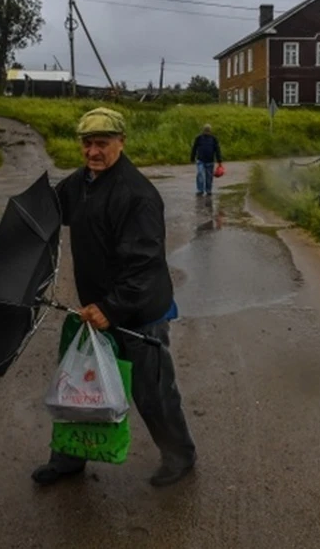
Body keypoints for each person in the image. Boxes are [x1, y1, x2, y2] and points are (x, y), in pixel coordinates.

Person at [33, 107, 198, 488]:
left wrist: (112, 307)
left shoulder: (137, 195)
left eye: (102, 144)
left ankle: (180, 455)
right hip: (97, 309)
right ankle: (69, 458)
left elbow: (144, 264)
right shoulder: (81, 183)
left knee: (152, 391)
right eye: (87, 143)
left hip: (140, 312)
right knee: (80, 388)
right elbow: (53, 211)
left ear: (121, 143)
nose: (93, 152)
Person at [190, 124, 222, 196]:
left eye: (208, 131)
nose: (207, 132)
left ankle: (208, 190)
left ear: (210, 131)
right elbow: (194, 148)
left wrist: (219, 161)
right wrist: (192, 157)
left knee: (209, 177)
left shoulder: (214, 139)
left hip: (210, 161)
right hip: (200, 160)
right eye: (205, 131)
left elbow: (217, 150)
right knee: (200, 174)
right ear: (203, 131)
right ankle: (200, 190)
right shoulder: (198, 138)